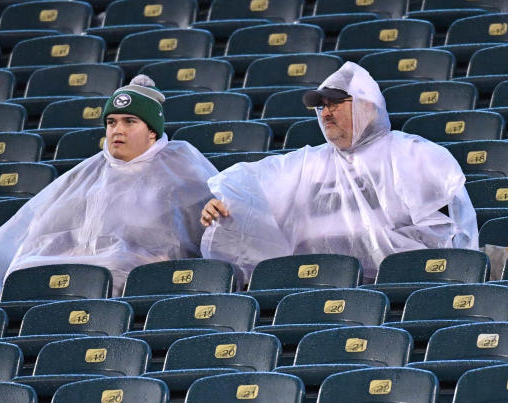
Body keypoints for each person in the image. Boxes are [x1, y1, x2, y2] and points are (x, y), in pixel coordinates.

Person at [199, 61, 479, 282]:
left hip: (411, 284)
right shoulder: (309, 164)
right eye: (321, 106)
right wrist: (224, 204)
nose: (325, 113)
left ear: (367, 107)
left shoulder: (414, 154)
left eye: (335, 103)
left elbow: (448, 233)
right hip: (321, 285)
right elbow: (255, 187)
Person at [0, 75, 218, 295]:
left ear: (152, 132)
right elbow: (52, 230)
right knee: (25, 269)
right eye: (112, 122)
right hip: (85, 267)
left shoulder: (182, 163)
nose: (118, 130)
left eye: (130, 121)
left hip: (144, 273)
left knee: (114, 267)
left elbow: (214, 220)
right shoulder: (88, 172)